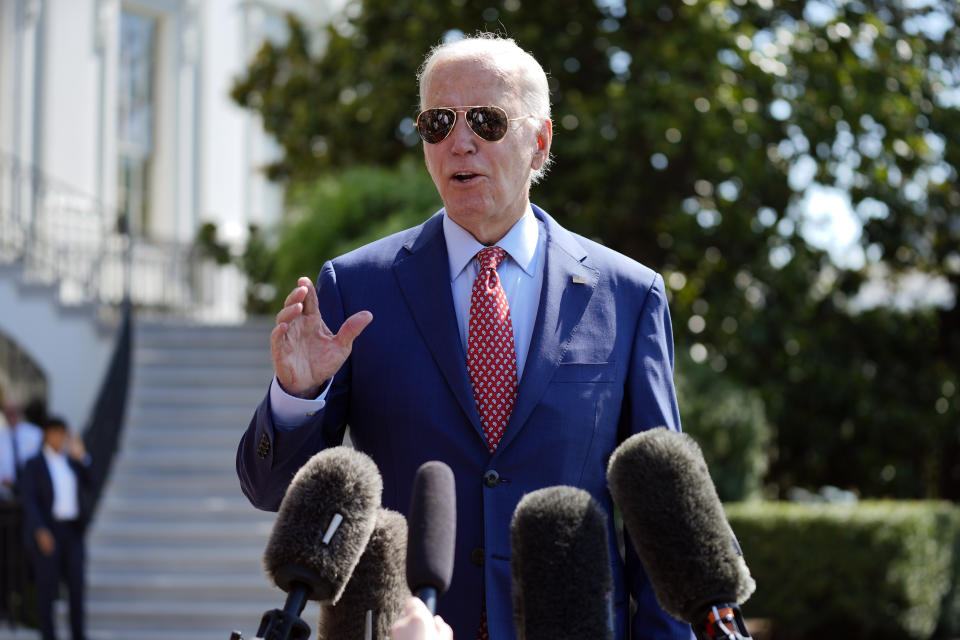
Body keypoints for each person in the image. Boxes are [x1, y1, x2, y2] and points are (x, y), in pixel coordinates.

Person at [237, 34, 692, 640]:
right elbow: (273, 493)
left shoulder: (628, 295)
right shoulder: (355, 287)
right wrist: (297, 396)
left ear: (540, 141)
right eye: (437, 122)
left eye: (486, 119)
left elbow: (659, 515)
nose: (460, 141)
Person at [19, 416, 91, 640]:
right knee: (47, 590)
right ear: (48, 434)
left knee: (77, 588)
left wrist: (83, 457)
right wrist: (40, 530)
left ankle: (78, 635)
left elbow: (92, 482)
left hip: (72, 531)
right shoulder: (35, 464)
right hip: (49, 530)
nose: (62, 438)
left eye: (64, 433)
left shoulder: (71, 462)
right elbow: (29, 500)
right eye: (58, 433)